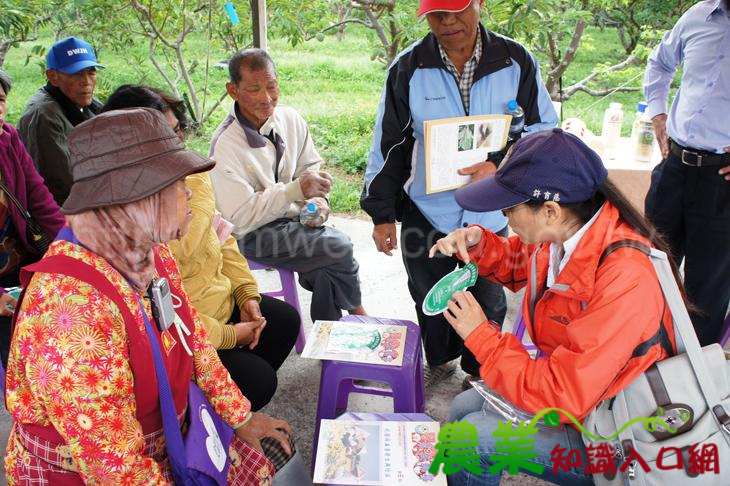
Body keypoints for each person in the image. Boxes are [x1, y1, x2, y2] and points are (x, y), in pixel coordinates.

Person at [3, 108, 302, 484]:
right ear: (136, 200)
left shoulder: (147, 253)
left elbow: (192, 339)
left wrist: (239, 416)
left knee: (278, 449)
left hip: (163, 440)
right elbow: (114, 468)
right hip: (96, 473)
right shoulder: (71, 312)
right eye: (176, 186)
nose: (191, 195)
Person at [430, 128, 678, 485]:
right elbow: (522, 262)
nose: (505, 219)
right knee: (462, 407)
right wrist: (480, 245)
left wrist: (481, 336)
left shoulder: (626, 276)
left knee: (472, 440)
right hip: (589, 398)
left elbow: (562, 395)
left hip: (620, 433)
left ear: (549, 210)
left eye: (508, 208)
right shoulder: (571, 231)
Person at [361, 0, 558, 385]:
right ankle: (440, 358)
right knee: (429, 294)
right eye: (437, 14)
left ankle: (480, 368)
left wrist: (500, 164)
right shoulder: (408, 68)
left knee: (489, 297)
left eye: (459, 9)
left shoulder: (514, 60)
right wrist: (382, 213)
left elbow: (543, 128)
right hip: (427, 209)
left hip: (488, 212)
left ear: (480, 4)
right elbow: (389, 145)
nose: (449, 22)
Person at [102, 84, 300, 411]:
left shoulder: (191, 176)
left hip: (214, 307)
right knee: (257, 380)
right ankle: (205, 419)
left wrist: (246, 295)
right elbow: (166, 316)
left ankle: (221, 421)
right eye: (162, 142)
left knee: (282, 322)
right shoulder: (130, 226)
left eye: (177, 133)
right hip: (185, 334)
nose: (177, 150)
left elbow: (223, 239)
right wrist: (229, 336)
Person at [210, 48, 366, 322]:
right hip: (253, 234)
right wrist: (295, 191)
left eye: (272, 86)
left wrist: (318, 202)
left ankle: (329, 339)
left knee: (323, 271)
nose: (266, 98)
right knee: (338, 247)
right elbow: (240, 219)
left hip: (293, 222)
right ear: (233, 91)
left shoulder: (290, 119)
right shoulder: (225, 145)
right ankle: (358, 314)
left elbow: (309, 168)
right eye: (254, 89)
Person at [643, 0, 730, 346]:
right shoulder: (699, 15)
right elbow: (659, 64)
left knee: (705, 295)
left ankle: (689, 391)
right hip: (673, 168)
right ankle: (636, 370)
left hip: (721, 184)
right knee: (645, 272)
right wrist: (658, 114)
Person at [0, 69, 64, 366]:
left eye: (0, 100)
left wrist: (69, 247)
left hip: (12, 255)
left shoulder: (7, 139)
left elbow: (39, 198)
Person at [17, 36, 103, 205]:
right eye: (76, 73)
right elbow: (64, 185)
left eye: (91, 72)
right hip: (62, 215)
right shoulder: (44, 115)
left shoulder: (85, 102)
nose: (86, 82)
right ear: (53, 77)